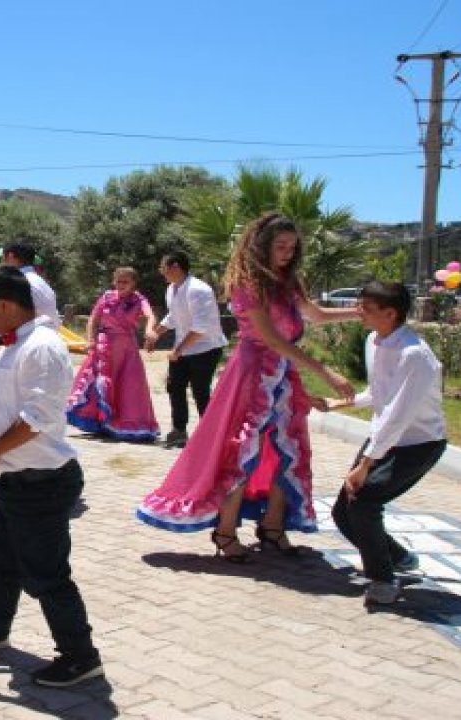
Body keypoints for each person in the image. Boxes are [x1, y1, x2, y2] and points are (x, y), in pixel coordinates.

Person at [136, 213, 358, 561]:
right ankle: (225, 531)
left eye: (292, 247)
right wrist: (326, 372)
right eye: (280, 246)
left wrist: (362, 312)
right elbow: (270, 338)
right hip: (251, 376)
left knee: (291, 450)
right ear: (262, 245)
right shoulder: (247, 284)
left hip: (281, 376)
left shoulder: (288, 282)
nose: (287, 252)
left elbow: (316, 315)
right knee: (241, 452)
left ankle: (273, 527)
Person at [0, 265, 101, 688]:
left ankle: (81, 657)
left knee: (46, 574)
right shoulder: (13, 345)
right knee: (1, 560)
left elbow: (38, 417)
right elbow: (10, 403)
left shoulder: (41, 346)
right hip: (17, 480)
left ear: (6, 305)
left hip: (41, 481)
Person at [317, 282, 447, 606]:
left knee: (363, 502)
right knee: (342, 513)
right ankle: (399, 558)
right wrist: (337, 404)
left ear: (390, 313)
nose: (359, 312)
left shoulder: (415, 355)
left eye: (367, 308)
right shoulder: (374, 341)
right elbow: (379, 395)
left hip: (418, 443)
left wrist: (366, 464)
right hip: (385, 437)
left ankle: (383, 580)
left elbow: (398, 415)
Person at [143, 251, 228, 449]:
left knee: (200, 391)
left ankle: (211, 435)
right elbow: (173, 317)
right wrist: (156, 334)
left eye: (163, 267)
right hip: (184, 347)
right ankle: (179, 431)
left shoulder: (199, 290)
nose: (161, 272)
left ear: (175, 267)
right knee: (175, 387)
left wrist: (178, 350)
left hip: (206, 348)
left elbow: (200, 328)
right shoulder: (172, 289)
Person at [66, 267, 161, 442]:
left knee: (129, 386)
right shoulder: (107, 297)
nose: (121, 285)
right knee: (100, 383)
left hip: (127, 349)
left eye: (126, 281)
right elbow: (93, 319)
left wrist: (149, 330)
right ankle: (99, 422)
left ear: (133, 283)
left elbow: (150, 316)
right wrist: (91, 340)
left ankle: (122, 425)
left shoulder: (139, 299)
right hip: (105, 346)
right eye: (118, 281)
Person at [0, 242, 58, 326]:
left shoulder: (17, 282)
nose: (1, 263)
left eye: (1, 258)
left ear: (10, 256)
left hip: (31, 336)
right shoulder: (42, 283)